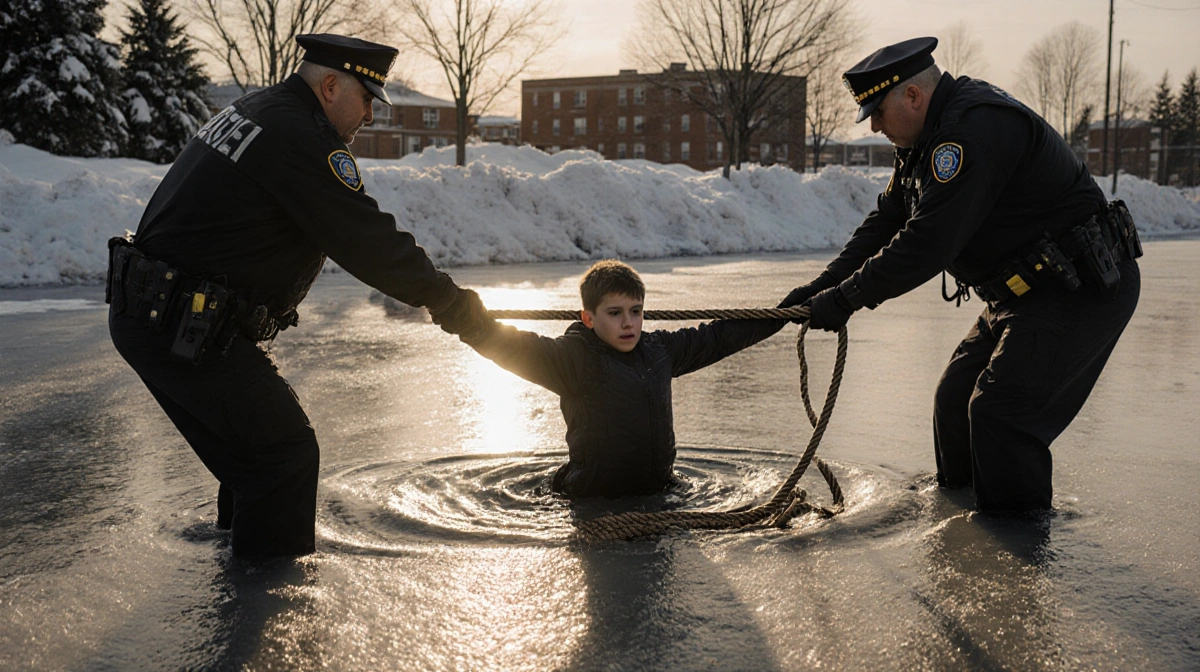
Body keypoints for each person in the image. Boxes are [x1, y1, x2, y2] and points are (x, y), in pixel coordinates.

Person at [106, 34, 477, 557]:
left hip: (162, 316)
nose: (370, 115)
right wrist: (453, 304)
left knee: (253, 459)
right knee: (283, 457)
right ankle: (269, 605)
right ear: (330, 85)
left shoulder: (260, 109)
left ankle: (242, 564)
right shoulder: (299, 135)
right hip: (180, 324)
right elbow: (364, 238)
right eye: (367, 99)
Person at [779, 37, 1141, 512]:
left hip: (1078, 289)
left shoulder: (971, 131)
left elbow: (927, 244)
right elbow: (889, 220)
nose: (876, 127)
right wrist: (824, 286)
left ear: (913, 96)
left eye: (878, 113)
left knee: (1000, 417)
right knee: (953, 402)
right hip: (1019, 292)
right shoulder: (921, 139)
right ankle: (966, 515)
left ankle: (1015, 543)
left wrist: (845, 300)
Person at [432, 260, 786, 498]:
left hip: (659, 494)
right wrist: (465, 318)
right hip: (592, 501)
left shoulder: (661, 351)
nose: (628, 323)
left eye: (636, 311)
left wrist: (792, 310)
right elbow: (507, 345)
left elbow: (722, 337)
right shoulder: (574, 361)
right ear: (589, 318)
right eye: (615, 314)